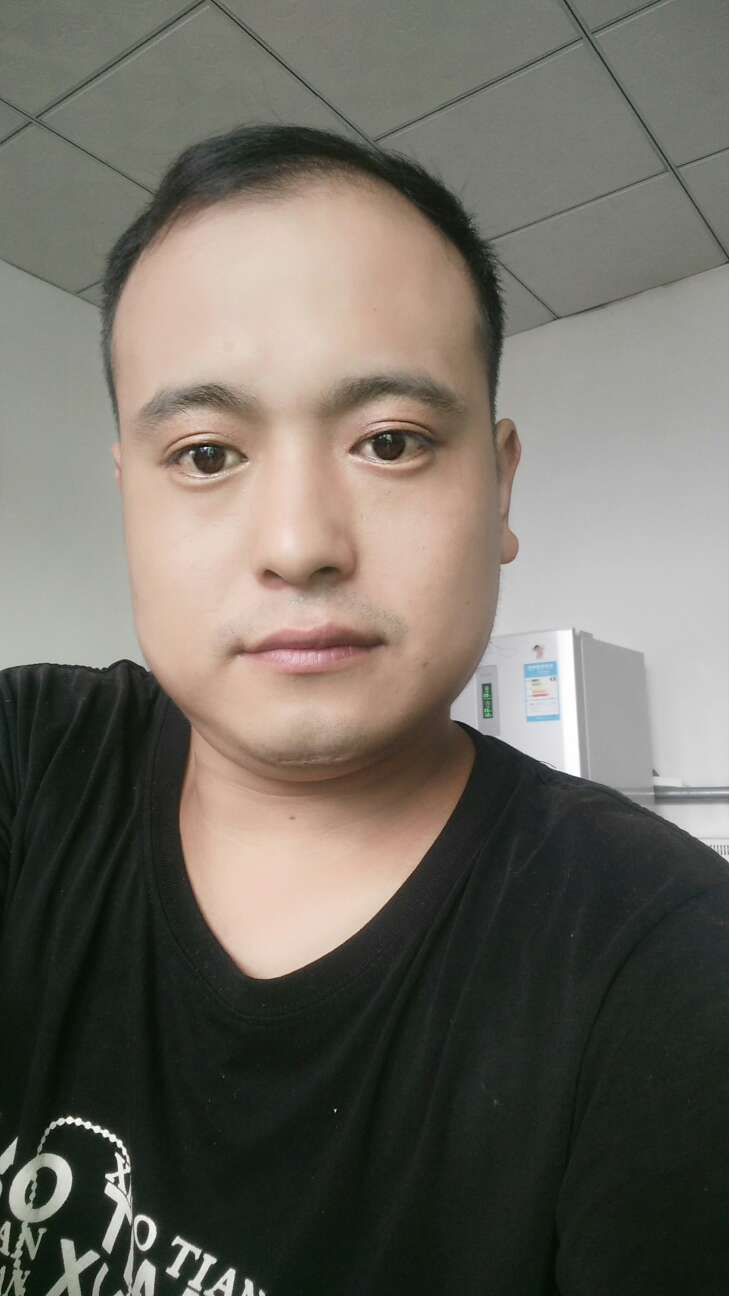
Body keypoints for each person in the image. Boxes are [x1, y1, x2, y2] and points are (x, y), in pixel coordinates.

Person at [0, 123, 726, 1296]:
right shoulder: (30, 762)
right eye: (205, 455)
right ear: (128, 496)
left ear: (500, 488)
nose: (300, 545)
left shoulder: (670, 972)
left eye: (390, 441)